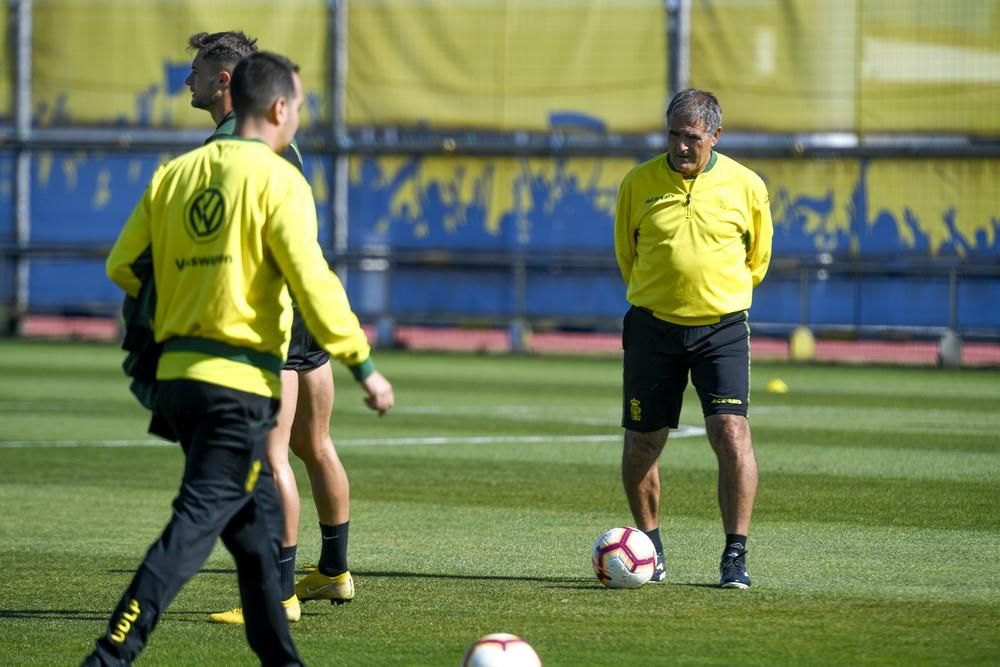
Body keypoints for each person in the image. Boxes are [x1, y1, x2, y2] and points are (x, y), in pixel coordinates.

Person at [83, 51, 394, 666]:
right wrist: (364, 365)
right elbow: (315, 282)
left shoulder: (174, 174)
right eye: (299, 106)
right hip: (237, 385)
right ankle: (110, 655)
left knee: (254, 536)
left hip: (176, 381)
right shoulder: (282, 179)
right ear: (279, 107)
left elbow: (123, 266)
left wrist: (187, 294)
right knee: (191, 531)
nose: (299, 116)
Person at [183, 31, 365, 625]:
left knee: (269, 457)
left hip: (276, 317)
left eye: (196, 71)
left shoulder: (236, 144)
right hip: (307, 307)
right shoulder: (283, 141)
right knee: (315, 446)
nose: (187, 81)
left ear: (224, 81)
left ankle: (279, 595)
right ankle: (334, 572)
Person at [613, 88, 772, 589]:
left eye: (693, 138)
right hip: (653, 327)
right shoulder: (637, 182)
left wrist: (713, 295)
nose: (682, 147)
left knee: (731, 433)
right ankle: (650, 551)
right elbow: (627, 254)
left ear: (715, 137)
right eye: (674, 136)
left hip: (721, 328)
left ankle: (735, 555)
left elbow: (758, 259)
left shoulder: (747, 185)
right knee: (643, 443)